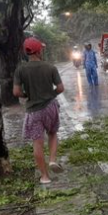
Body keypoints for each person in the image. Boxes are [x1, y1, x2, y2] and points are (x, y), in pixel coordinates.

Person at [13, 38, 65, 184]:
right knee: (53, 133)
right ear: (39, 50)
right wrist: (51, 95)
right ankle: (53, 160)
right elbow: (60, 88)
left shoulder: (21, 69)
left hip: (33, 111)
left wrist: (27, 95)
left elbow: (16, 92)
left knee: (37, 142)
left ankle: (44, 177)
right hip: (50, 107)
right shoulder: (50, 67)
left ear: (26, 51)